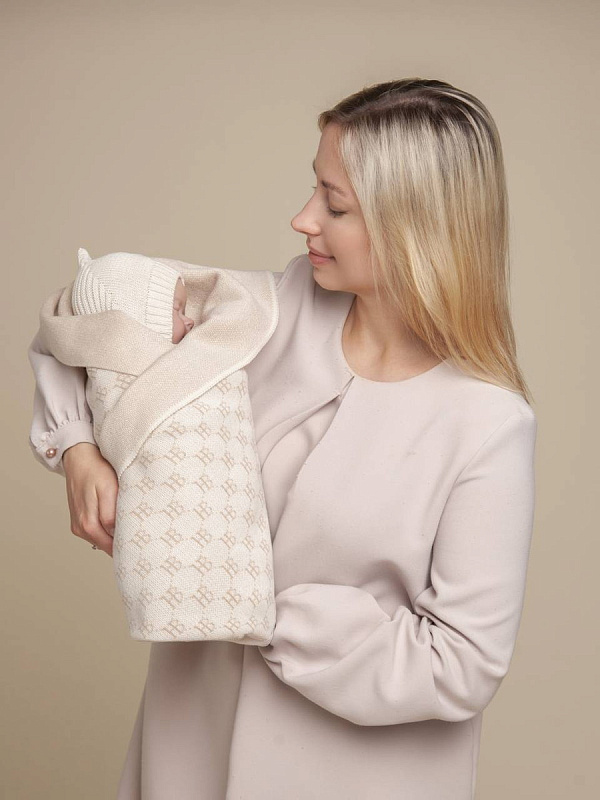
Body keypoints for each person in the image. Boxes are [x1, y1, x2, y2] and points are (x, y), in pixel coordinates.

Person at [27, 78, 537, 799]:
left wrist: (255, 609)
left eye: (335, 205)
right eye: (313, 189)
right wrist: (79, 450)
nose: (303, 220)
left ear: (414, 224)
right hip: (190, 752)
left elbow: (462, 663)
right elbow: (84, 315)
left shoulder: (487, 425)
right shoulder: (259, 317)